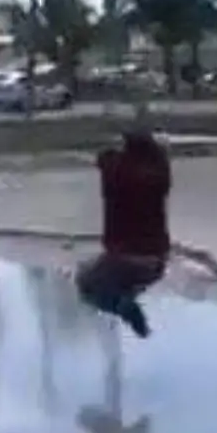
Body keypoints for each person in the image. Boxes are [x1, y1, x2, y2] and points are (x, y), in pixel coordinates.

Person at [77, 123, 170, 338]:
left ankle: (123, 305)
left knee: (85, 283)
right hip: (156, 261)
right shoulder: (159, 173)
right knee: (106, 275)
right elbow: (160, 157)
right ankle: (126, 295)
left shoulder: (116, 171)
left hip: (123, 258)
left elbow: (104, 157)